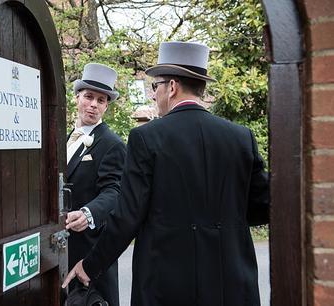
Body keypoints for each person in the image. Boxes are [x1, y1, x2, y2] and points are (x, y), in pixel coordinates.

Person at [62, 42, 269, 306]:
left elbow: (127, 217)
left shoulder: (146, 137)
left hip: (165, 282)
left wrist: (90, 265)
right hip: (230, 280)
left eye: (154, 87)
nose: (153, 95)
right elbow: (262, 206)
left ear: (171, 87)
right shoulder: (242, 137)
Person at [65, 63, 126, 305]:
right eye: (89, 97)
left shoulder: (113, 144)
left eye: (101, 100)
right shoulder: (64, 137)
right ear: (77, 97)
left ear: (106, 106)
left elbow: (115, 191)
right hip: (59, 246)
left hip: (90, 248)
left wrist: (89, 212)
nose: (93, 104)